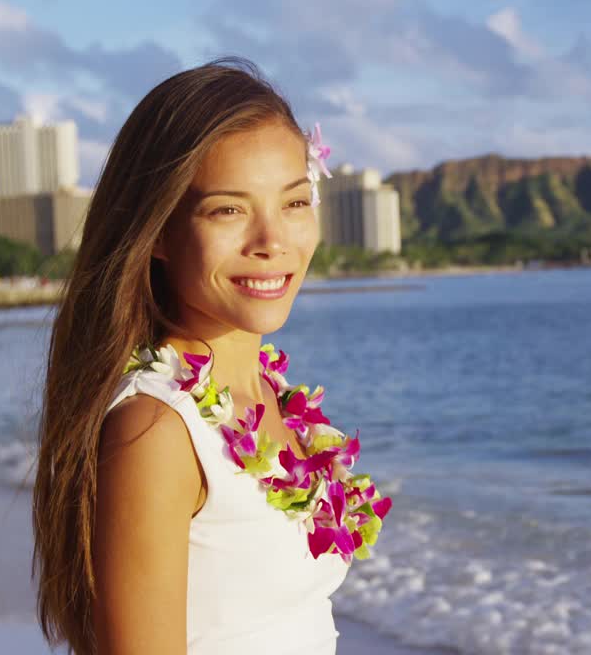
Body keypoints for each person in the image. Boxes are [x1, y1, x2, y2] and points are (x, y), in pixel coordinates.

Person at [32, 58, 381, 654]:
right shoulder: (157, 430)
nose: (273, 242)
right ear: (159, 231)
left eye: (294, 203)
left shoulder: (268, 397)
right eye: (229, 210)